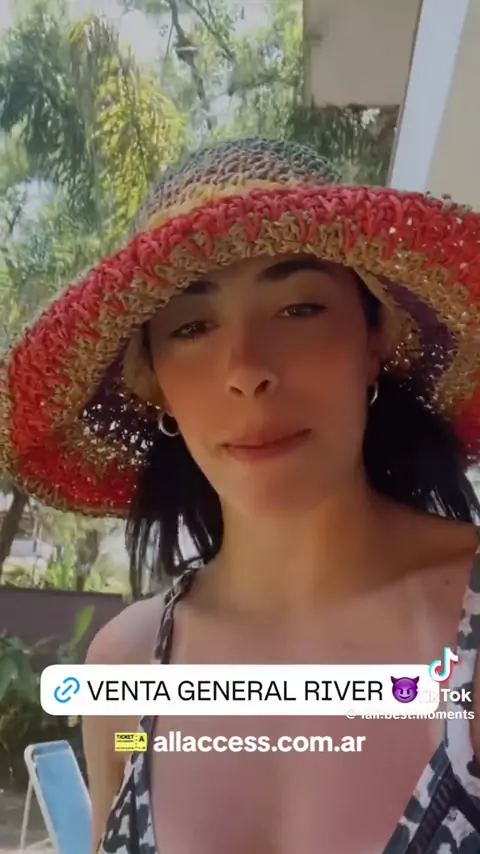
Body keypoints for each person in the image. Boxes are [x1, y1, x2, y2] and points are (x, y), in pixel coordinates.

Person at [2, 137, 480, 854]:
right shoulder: (127, 672)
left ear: (372, 339)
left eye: (299, 308)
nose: (247, 369)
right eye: (193, 327)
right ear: (157, 385)